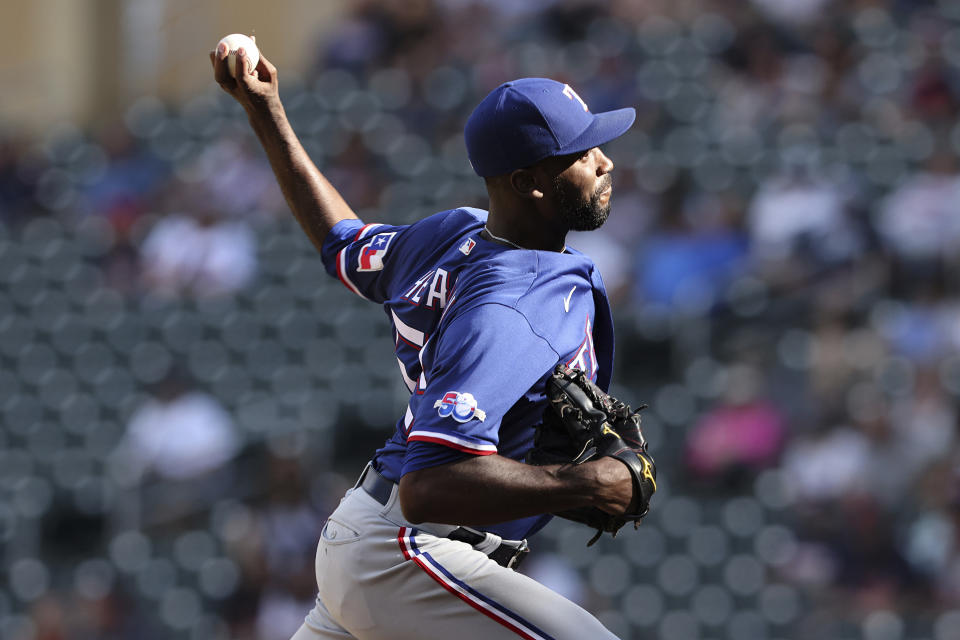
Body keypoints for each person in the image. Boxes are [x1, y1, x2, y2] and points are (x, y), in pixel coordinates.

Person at [211, 41, 647, 640]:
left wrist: (266, 112)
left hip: (371, 545)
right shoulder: (515, 304)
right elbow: (430, 485)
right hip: (407, 556)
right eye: (580, 153)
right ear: (531, 182)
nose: (605, 162)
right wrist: (586, 482)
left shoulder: (452, 235)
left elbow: (342, 241)